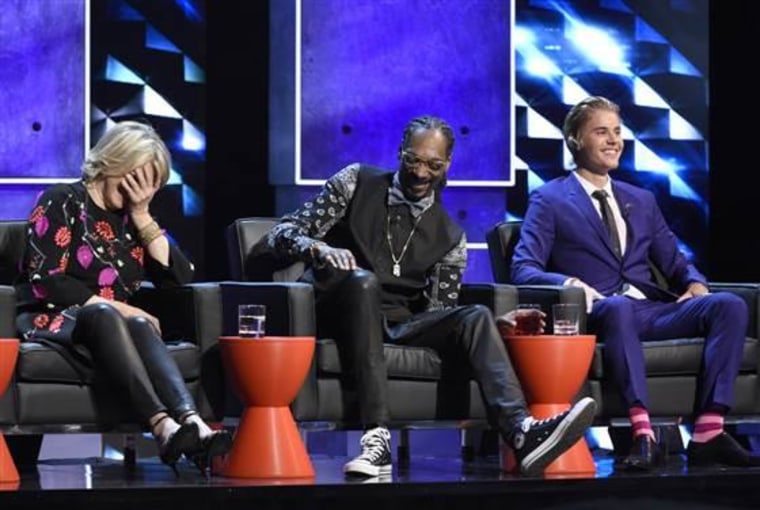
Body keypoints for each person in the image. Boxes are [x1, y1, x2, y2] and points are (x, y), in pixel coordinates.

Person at [265, 114, 596, 478]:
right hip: (336, 308)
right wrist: (318, 249)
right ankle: (376, 437)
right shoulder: (356, 182)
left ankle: (520, 431)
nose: (422, 173)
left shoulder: (451, 238)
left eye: (433, 164)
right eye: (413, 160)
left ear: (447, 165)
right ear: (399, 153)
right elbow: (282, 232)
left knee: (474, 317)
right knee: (362, 282)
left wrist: (493, 325)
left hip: (395, 321)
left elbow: (440, 311)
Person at [511, 95, 760, 470]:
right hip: (600, 313)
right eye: (601, 132)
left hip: (652, 311)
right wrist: (572, 283)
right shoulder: (549, 200)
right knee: (620, 307)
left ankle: (709, 432)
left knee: (729, 305)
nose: (613, 141)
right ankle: (642, 434)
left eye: (617, 132)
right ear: (576, 140)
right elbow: (523, 268)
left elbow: (676, 263)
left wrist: (695, 284)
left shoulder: (640, 199)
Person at [14, 121, 232, 476]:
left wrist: (143, 216)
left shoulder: (132, 220)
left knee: (136, 321)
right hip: (51, 320)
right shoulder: (61, 200)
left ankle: (192, 424)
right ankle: (161, 424)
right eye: (138, 178)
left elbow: (179, 279)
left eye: (151, 185)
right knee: (111, 314)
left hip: (113, 330)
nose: (141, 191)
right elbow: (46, 281)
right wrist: (123, 307)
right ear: (115, 161)